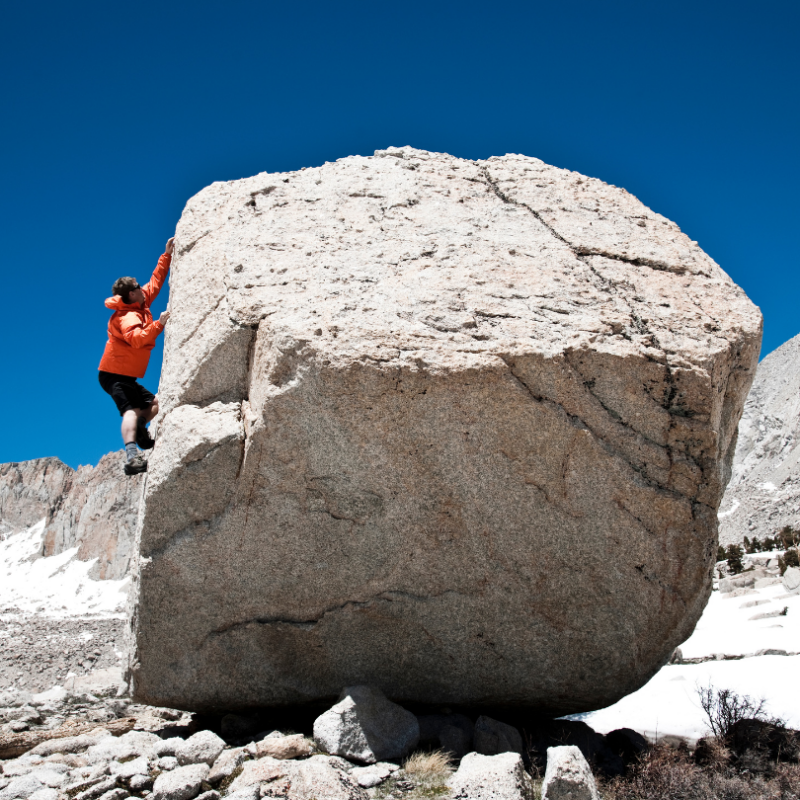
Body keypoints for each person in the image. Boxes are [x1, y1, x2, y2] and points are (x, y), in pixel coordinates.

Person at [98, 237, 174, 475]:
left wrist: (167, 255)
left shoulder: (139, 304)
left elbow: (155, 283)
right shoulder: (127, 317)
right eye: (137, 287)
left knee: (154, 404)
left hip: (126, 376)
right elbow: (137, 339)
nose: (143, 288)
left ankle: (141, 426)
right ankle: (132, 456)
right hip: (113, 375)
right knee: (130, 410)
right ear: (131, 294)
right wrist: (159, 324)